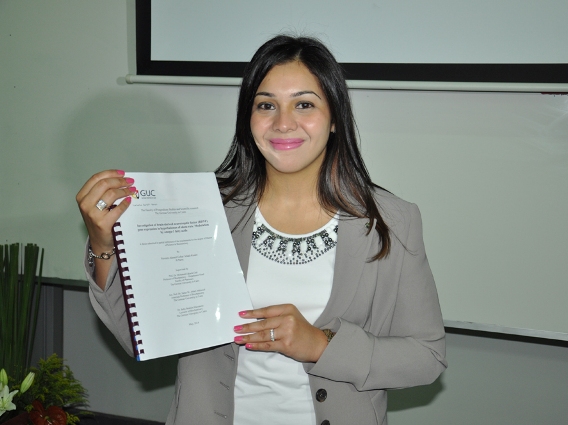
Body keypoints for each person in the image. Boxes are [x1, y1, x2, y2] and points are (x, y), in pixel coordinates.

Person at [76, 35, 446, 425]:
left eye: (304, 104)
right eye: (266, 105)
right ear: (248, 118)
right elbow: (138, 334)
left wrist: (321, 345)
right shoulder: (203, 210)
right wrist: (103, 244)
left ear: (335, 117)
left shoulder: (391, 221)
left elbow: (427, 357)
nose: (283, 123)